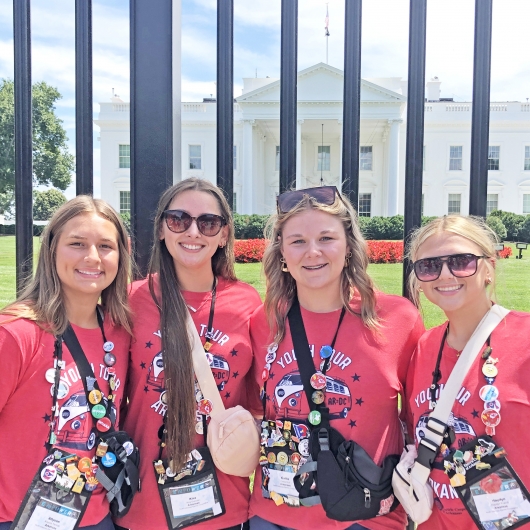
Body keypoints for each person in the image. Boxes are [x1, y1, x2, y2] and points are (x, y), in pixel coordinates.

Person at [249, 186, 424, 530]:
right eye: (297, 241)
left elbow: (418, 419)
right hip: (276, 513)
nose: (312, 252)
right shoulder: (264, 321)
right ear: (282, 253)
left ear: (348, 246)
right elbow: (255, 410)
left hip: (367, 515)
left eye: (326, 238)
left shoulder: (398, 318)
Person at [115, 178, 262, 530]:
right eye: (178, 219)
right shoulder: (131, 299)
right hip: (142, 502)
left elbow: (258, 400)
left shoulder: (248, 302)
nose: (193, 231)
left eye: (208, 222)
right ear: (162, 230)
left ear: (224, 235)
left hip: (223, 501)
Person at [0, 196, 133, 530]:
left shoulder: (119, 334)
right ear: (51, 251)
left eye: (106, 246)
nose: (92, 257)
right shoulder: (16, 334)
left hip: (96, 516)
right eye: (77, 243)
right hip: (19, 518)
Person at [405, 215, 530, 530]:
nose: (445, 274)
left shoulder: (525, 337)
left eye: (461, 261)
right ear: (418, 278)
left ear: (489, 267)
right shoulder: (423, 348)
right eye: (429, 265)